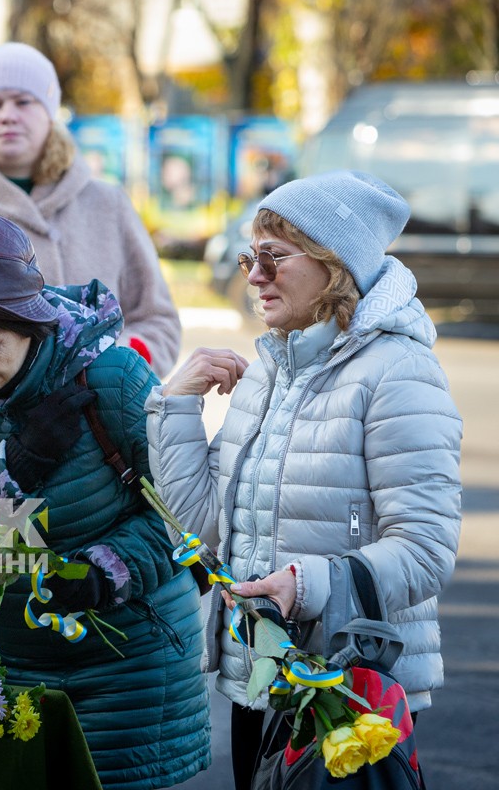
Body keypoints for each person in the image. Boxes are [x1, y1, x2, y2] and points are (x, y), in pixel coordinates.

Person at [144, 171, 462, 790]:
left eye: (273, 257)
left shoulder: (398, 371)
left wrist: (307, 583)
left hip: (350, 689)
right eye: (248, 258)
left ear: (334, 264)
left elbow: (425, 550)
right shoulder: (270, 368)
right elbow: (209, 526)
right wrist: (175, 406)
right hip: (256, 682)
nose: (254, 276)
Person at [0, 211, 209, 789]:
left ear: (29, 325)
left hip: (132, 663)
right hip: (8, 665)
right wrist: (11, 467)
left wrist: (105, 570)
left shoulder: (113, 378)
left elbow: (186, 514)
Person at [0, 42, 180, 375]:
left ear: (49, 112)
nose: (7, 115)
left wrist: (113, 366)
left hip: (94, 415)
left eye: (24, 101)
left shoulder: (107, 204)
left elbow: (158, 319)